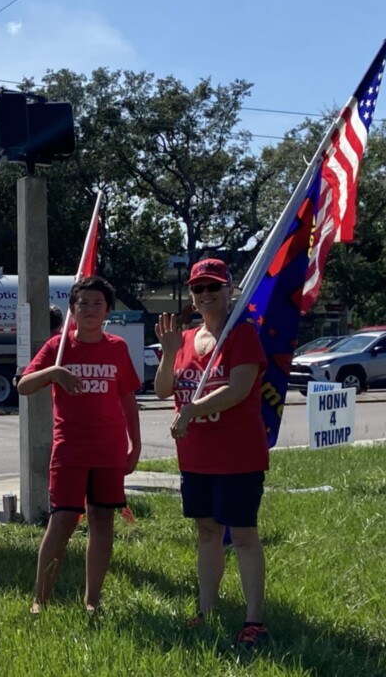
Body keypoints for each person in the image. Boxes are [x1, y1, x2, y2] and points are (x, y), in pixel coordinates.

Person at [153, 258, 270, 649]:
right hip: (196, 455)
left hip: (237, 454)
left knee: (242, 536)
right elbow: (163, 390)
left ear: (229, 290)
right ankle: (206, 611)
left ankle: (254, 619)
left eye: (213, 287)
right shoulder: (185, 339)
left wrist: (192, 410)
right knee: (206, 533)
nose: (205, 294)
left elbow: (238, 389)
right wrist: (170, 353)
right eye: (198, 288)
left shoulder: (242, 335)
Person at [17, 275, 141, 614]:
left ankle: (93, 601)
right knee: (64, 520)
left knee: (103, 520)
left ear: (108, 311)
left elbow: (128, 398)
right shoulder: (58, 346)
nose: (89, 309)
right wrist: (53, 372)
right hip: (70, 449)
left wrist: (136, 445)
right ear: (72, 309)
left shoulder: (117, 348)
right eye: (82, 303)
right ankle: (40, 600)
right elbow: (24, 386)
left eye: (97, 303)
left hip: (109, 450)